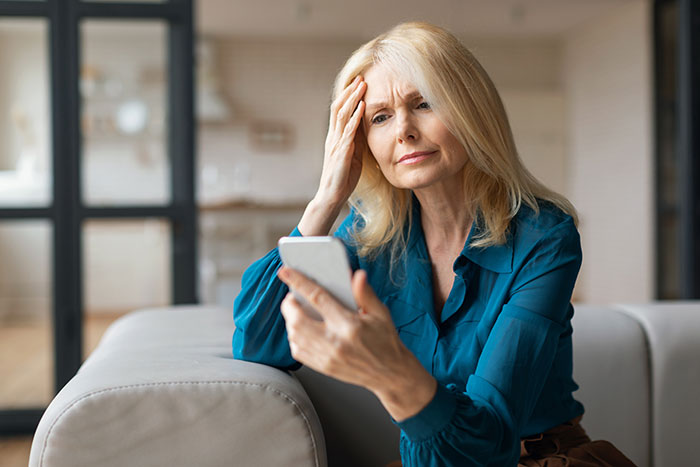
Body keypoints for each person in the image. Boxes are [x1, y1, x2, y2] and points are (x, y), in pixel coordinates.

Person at [233, 21, 636, 467]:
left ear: (470, 111)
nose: (403, 130)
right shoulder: (368, 235)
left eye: (423, 103)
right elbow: (258, 343)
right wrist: (326, 198)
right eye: (380, 117)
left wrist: (391, 374)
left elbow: (490, 436)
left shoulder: (545, 237)